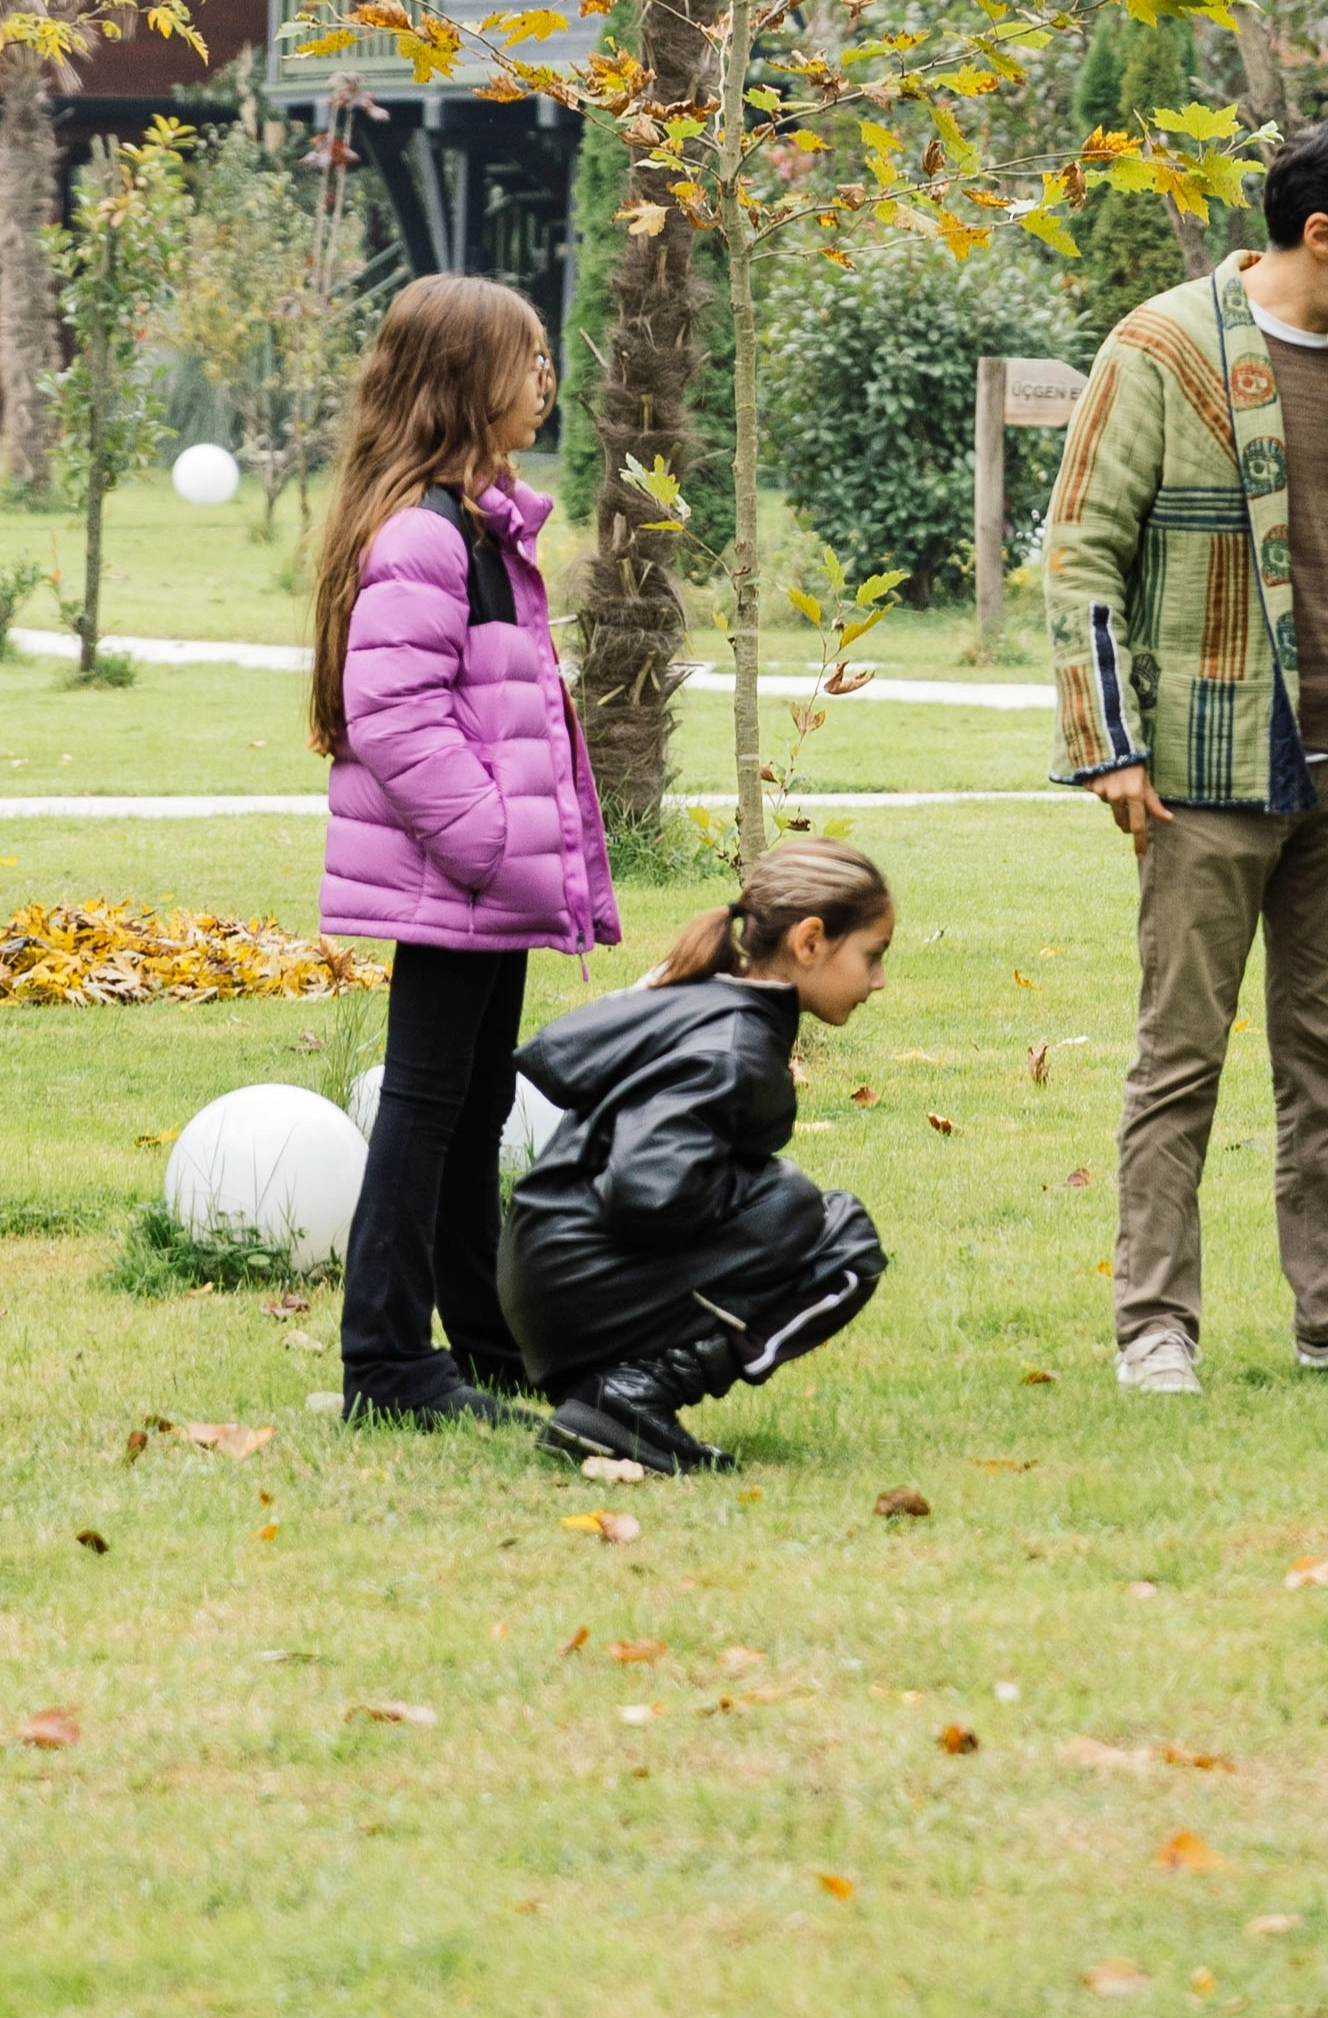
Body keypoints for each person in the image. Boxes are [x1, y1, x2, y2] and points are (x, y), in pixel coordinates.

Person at [1046, 116, 1328, 1395]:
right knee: (1179, 1057)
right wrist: (1108, 744)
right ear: (1320, 236)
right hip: (1201, 771)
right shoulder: (1161, 348)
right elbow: (1079, 555)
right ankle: (1153, 1329)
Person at [313, 271, 618, 1429]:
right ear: (464, 380)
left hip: (491, 879)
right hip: (461, 875)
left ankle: (478, 1340)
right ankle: (386, 1363)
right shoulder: (428, 535)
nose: (546, 380)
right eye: (527, 359)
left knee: (474, 1100)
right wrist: (495, 844)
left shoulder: (485, 526)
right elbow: (393, 716)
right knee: (427, 1105)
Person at [498, 840, 894, 1478]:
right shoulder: (732, 1044)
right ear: (811, 940)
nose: (879, 980)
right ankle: (632, 1396)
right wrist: (768, 1208)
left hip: (551, 1278)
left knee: (793, 1209)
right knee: (836, 1240)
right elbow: (646, 1190)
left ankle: (617, 1388)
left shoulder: (716, 1005)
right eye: (871, 956)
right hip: (575, 1283)